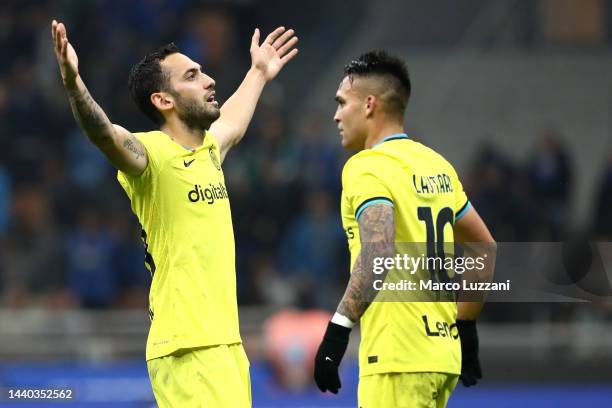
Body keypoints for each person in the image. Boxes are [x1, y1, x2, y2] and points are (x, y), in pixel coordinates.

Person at [51, 19, 298, 407]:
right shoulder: (152, 157)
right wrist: (73, 82)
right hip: (189, 347)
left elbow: (231, 124)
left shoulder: (208, 152)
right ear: (164, 100)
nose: (209, 80)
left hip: (223, 345)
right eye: (192, 76)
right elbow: (103, 133)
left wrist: (258, 73)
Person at [313, 51, 496, 407]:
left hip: (397, 357)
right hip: (440, 357)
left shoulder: (366, 167)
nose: (335, 115)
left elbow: (378, 252)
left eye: (341, 103)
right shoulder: (436, 165)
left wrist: (337, 331)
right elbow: (483, 247)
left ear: (369, 105)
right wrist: (466, 325)